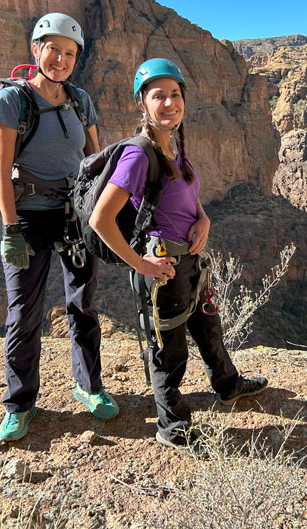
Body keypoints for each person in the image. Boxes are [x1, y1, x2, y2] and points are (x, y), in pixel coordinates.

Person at [88, 58, 267, 449]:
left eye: (174, 95)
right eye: (158, 96)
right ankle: (173, 426)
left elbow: (188, 199)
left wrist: (204, 220)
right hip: (163, 269)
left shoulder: (173, 147)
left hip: (191, 263)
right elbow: (101, 219)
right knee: (169, 351)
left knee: (208, 328)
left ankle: (228, 386)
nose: (169, 103)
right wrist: (141, 264)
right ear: (142, 103)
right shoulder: (139, 155)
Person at [0, 12, 118, 442]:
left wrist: (102, 216)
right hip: (27, 217)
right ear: (36, 50)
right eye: (53, 50)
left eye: (69, 53)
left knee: (83, 305)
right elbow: (1, 168)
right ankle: (19, 404)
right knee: (24, 314)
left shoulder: (80, 101)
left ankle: (89, 386)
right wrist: (10, 229)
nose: (60, 59)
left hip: (73, 217)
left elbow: (96, 162)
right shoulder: (13, 101)